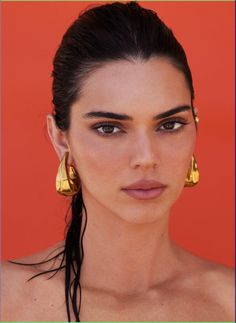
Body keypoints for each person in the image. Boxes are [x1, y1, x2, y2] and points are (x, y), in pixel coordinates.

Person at [1, 1, 234, 322]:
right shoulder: (7, 300)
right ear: (61, 138)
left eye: (169, 124)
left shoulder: (228, 303)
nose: (146, 157)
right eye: (108, 128)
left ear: (195, 125)